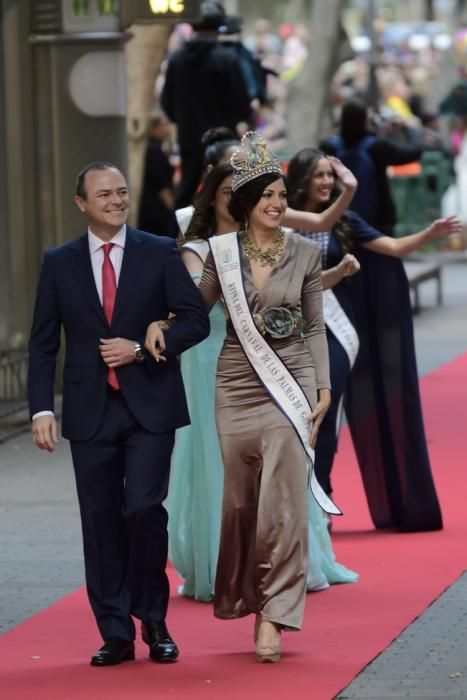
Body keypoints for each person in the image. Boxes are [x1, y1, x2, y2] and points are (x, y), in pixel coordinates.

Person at [147, 132, 340, 664]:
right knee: (240, 503)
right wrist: (162, 325)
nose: (279, 204)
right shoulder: (221, 253)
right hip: (234, 381)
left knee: (283, 503)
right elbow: (195, 310)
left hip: (292, 382)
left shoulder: (303, 252)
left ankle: (274, 615)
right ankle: (245, 594)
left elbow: (315, 328)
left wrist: (323, 388)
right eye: (268, 196)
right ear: (245, 203)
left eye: (282, 195)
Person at [27, 162, 210, 666]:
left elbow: (195, 320)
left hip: (150, 405)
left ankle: (153, 619)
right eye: (103, 193)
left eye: (122, 192)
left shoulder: (158, 251)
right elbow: (43, 344)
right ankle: (115, 631)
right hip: (89, 413)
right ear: (81, 203)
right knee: (101, 520)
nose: (116, 199)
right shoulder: (59, 263)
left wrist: (147, 346)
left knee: (143, 510)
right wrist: (42, 407)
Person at [287, 148, 461, 531]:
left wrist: (429, 234)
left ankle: (321, 492)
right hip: (285, 328)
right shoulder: (280, 219)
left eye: (329, 176)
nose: (326, 182)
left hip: (333, 328)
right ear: (300, 179)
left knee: (325, 414)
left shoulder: (345, 221)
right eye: (318, 175)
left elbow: (393, 248)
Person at [161, 1, 251, 208]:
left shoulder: (177, 59)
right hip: (224, 142)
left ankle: (181, 237)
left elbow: (167, 102)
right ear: (220, 25)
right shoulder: (227, 59)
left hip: (190, 138)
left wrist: (185, 120)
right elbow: (242, 103)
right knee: (230, 189)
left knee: (186, 191)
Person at [320, 98, 422, 234]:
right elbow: (414, 152)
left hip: (338, 218)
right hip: (378, 220)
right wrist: (407, 129)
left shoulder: (329, 147)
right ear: (365, 121)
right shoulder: (378, 147)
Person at [138, 113, 178, 237]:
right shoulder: (154, 149)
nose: (167, 128)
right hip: (155, 208)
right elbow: (161, 183)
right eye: (164, 124)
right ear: (155, 128)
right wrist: (172, 209)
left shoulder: (154, 147)